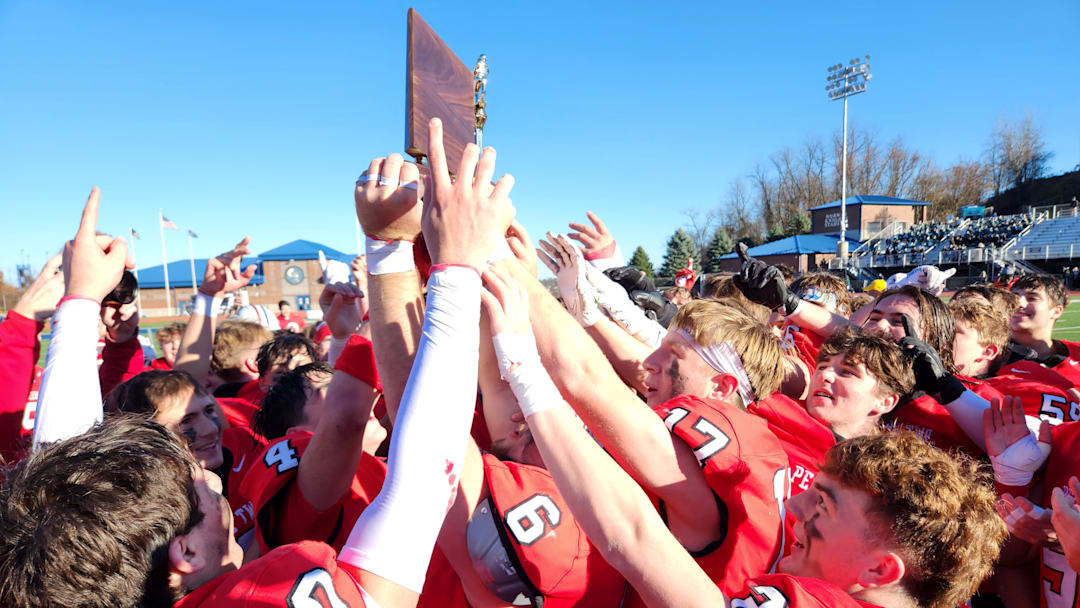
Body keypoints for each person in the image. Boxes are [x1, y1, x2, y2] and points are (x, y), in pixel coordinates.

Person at [1, 118, 511, 607]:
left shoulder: (65, 575)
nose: (214, 478)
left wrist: (80, 299)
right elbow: (423, 481)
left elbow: (62, 482)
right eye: (194, 485)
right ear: (185, 551)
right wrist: (441, 262)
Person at [479, 260, 1007, 608]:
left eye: (849, 373)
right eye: (829, 364)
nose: (798, 507)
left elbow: (635, 533)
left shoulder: (904, 466)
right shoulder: (780, 420)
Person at [1010, 274, 1080, 385]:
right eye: (1013, 297)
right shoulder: (986, 359)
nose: (1018, 303)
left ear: (1056, 311)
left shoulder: (1076, 354)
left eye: (1032, 298)